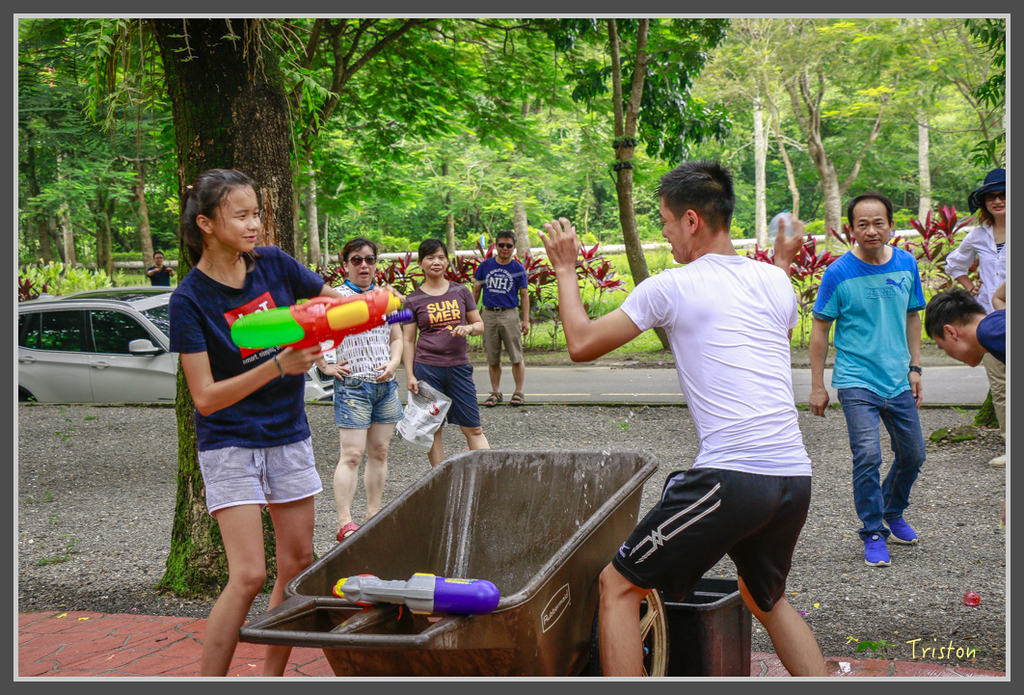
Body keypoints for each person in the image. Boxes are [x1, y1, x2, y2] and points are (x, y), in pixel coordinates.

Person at [540, 160, 826, 677]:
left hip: (732, 478)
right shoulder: (775, 282)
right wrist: (781, 261)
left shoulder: (671, 286)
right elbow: (762, 330)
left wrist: (564, 268)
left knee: (619, 585)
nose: (666, 235)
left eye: (667, 223)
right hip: (792, 478)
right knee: (766, 597)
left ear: (692, 220)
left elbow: (581, 344)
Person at [169, 169, 340, 676]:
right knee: (248, 574)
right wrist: (278, 365)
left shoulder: (275, 265)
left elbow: (328, 300)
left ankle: (269, 678)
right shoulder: (189, 299)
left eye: (256, 213)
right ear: (206, 224)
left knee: (298, 562)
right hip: (230, 443)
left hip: (287, 432)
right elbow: (204, 398)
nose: (254, 224)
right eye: (240, 215)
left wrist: (355, 310)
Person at [809, 191, 927, 568]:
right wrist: (817, 384)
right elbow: (819, 329)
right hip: (857, 379)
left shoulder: (907, 264)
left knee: (913, 454)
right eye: (863, 224)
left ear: (891, 225)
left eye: (879, 223)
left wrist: (915, 367)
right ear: (851, 229)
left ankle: (893, 510)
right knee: (868, 455)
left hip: (897, 378)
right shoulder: (838, 273)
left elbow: (912, 317)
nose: (872, 230)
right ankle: (873, 530)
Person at [314, 238, 404, 543]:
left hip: (385, 385)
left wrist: (394, 363)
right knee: (352, 454)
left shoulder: (386, 296)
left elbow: (397, 336)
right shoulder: (335, 297)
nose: (364, 265)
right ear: (345, 266)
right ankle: (344, 521)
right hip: (352, 386)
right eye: (356, 260)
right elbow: (312, 332)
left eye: (369, 259)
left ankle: (373, 515)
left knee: (380, 452)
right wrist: (325, 365)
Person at [402, 239, 490, 467]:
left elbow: (479, 325)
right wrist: (410, 375)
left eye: (441, 257)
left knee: (473, 427)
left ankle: (490, 476)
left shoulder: (461, 291)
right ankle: (441, 481)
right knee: (433, 428)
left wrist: (469, 328)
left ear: (447, 261)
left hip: (459, 368)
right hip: (427, 369)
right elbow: (408, 339)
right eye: (430, 258)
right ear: (420, 263)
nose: (436, 262)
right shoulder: (413, 300)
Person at [924, 285, 1006, 524]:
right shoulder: (997, 325)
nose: (947, 353)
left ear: (950, 332)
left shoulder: (993, 333)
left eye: (941, 346)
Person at [944, 168, 1006, 466]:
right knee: (1003, 386)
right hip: (990, 323)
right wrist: (969, 287)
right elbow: (954, 263)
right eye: (991, 196)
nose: (998, 200)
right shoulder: (978, 235)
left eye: (1004, 194)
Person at [472, 230, 530, 407]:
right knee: (493, 356)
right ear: (495, 246)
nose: (505, 249)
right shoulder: (485, 266)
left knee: (516, 356)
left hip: (509, 314)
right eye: (501, 245)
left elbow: (524, 295)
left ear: (514, 247)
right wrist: (472, 315)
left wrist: (525, 319)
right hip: (488, 314)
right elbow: (476, 291)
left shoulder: (518, 269)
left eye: (509, 246)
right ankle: (496, 392)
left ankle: (518, 391)